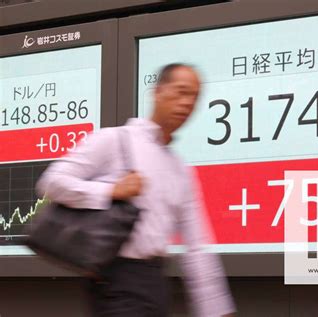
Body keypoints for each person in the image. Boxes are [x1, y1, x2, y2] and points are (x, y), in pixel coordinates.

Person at [36, 63, 236, 317]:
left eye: (194, 97)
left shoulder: (180, 170)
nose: (187, 103)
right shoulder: (114, 140)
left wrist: (216, 309)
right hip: (115, 282)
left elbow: (196, 246)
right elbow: (51, 182)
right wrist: (109, 191)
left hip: (156, 283)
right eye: (181, 91)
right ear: (157, 92)